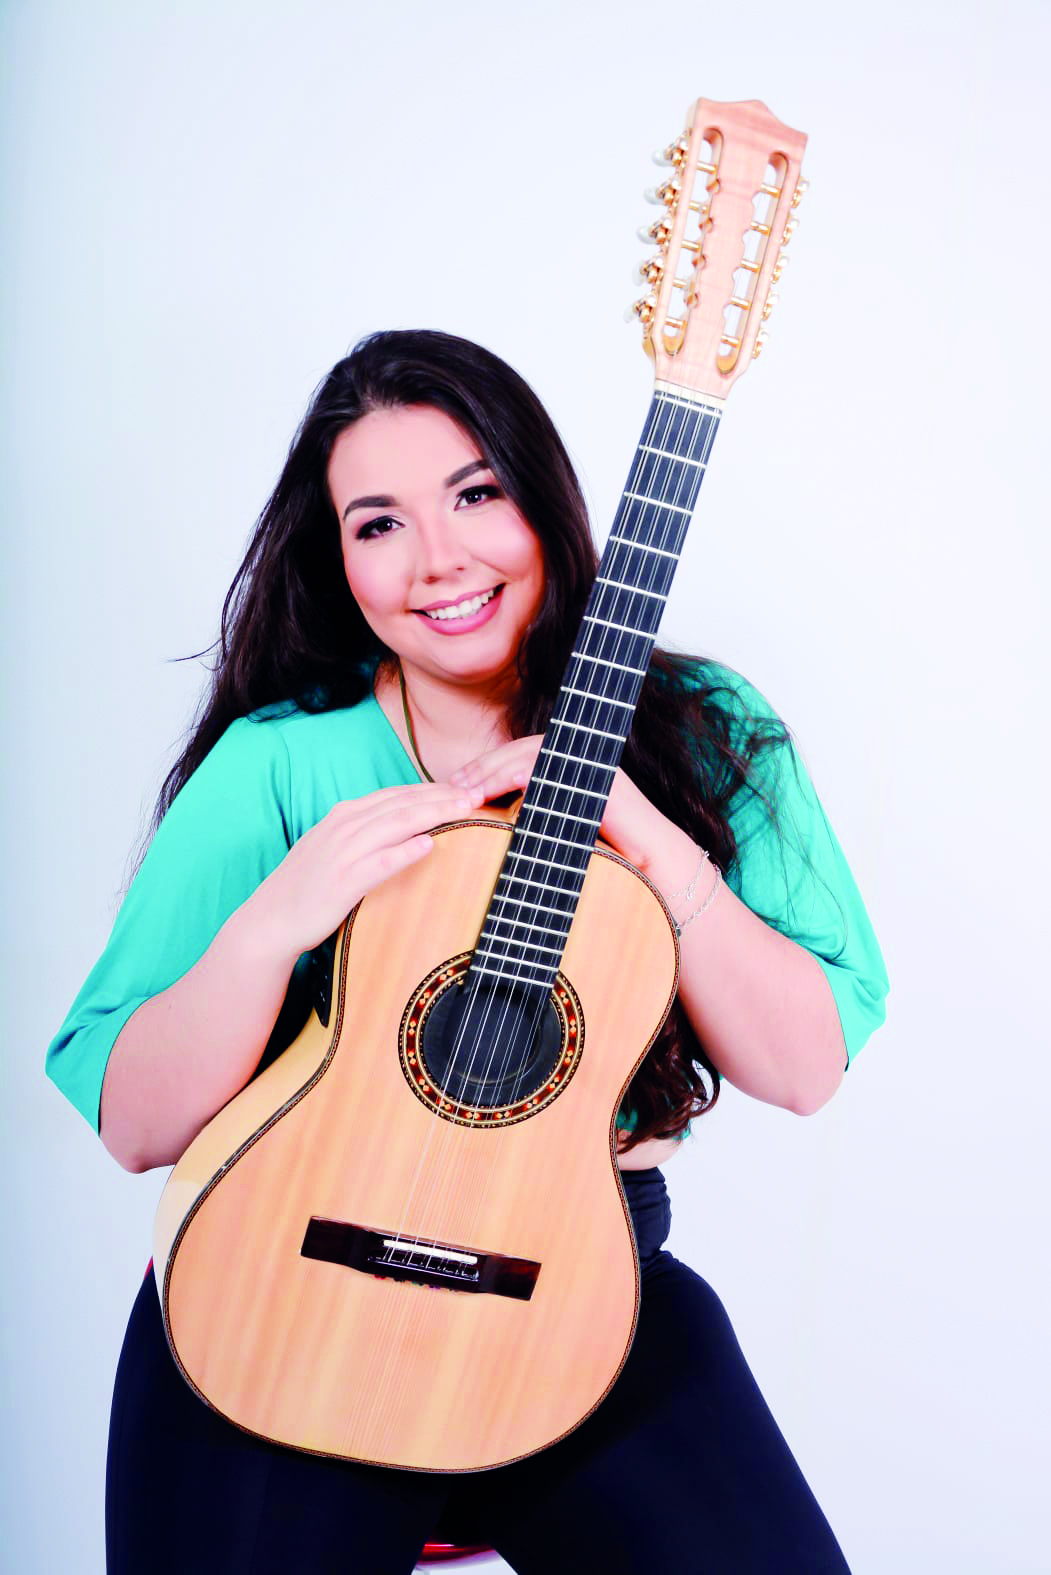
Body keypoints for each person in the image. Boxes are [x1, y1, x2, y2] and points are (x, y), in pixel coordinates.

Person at [47, 329, 888, 1574]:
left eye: (476, 494)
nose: (437, 560)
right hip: (286, 1279)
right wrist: (277, 919)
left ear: (540, 500)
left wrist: (653, 845)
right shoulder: (280, 762)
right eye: (378, 523)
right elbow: (134, 1126)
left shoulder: (705, 729)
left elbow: (804, 1070)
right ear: (337, 558)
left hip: (576, 1286)